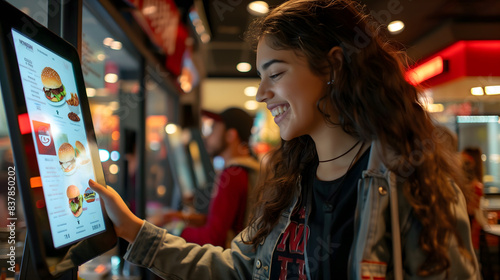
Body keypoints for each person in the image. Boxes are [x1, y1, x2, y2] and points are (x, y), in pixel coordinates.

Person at [89, 0, 479, 279]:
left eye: (274, 74)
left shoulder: (409, 180)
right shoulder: (288, 179)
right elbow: (238, 267)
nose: (261, 93)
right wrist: (134, 230)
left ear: (333, 67)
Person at [162, 107, 260, 247]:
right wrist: (177, 217)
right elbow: (218, 221)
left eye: (214, 129)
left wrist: (173, 231)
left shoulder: (233, 175)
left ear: (231, 135)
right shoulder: (245, 169)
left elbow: (213, 238)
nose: (207, 137)